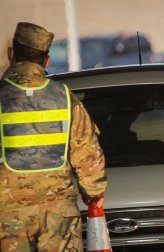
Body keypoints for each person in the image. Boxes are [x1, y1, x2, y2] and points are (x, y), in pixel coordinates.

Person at [0, 22, 107, 251]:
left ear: (11, 54)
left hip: (7, 217)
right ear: (46, 61)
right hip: (58, 216)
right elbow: (87, 153)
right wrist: (94, 194)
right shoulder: (65, 98)